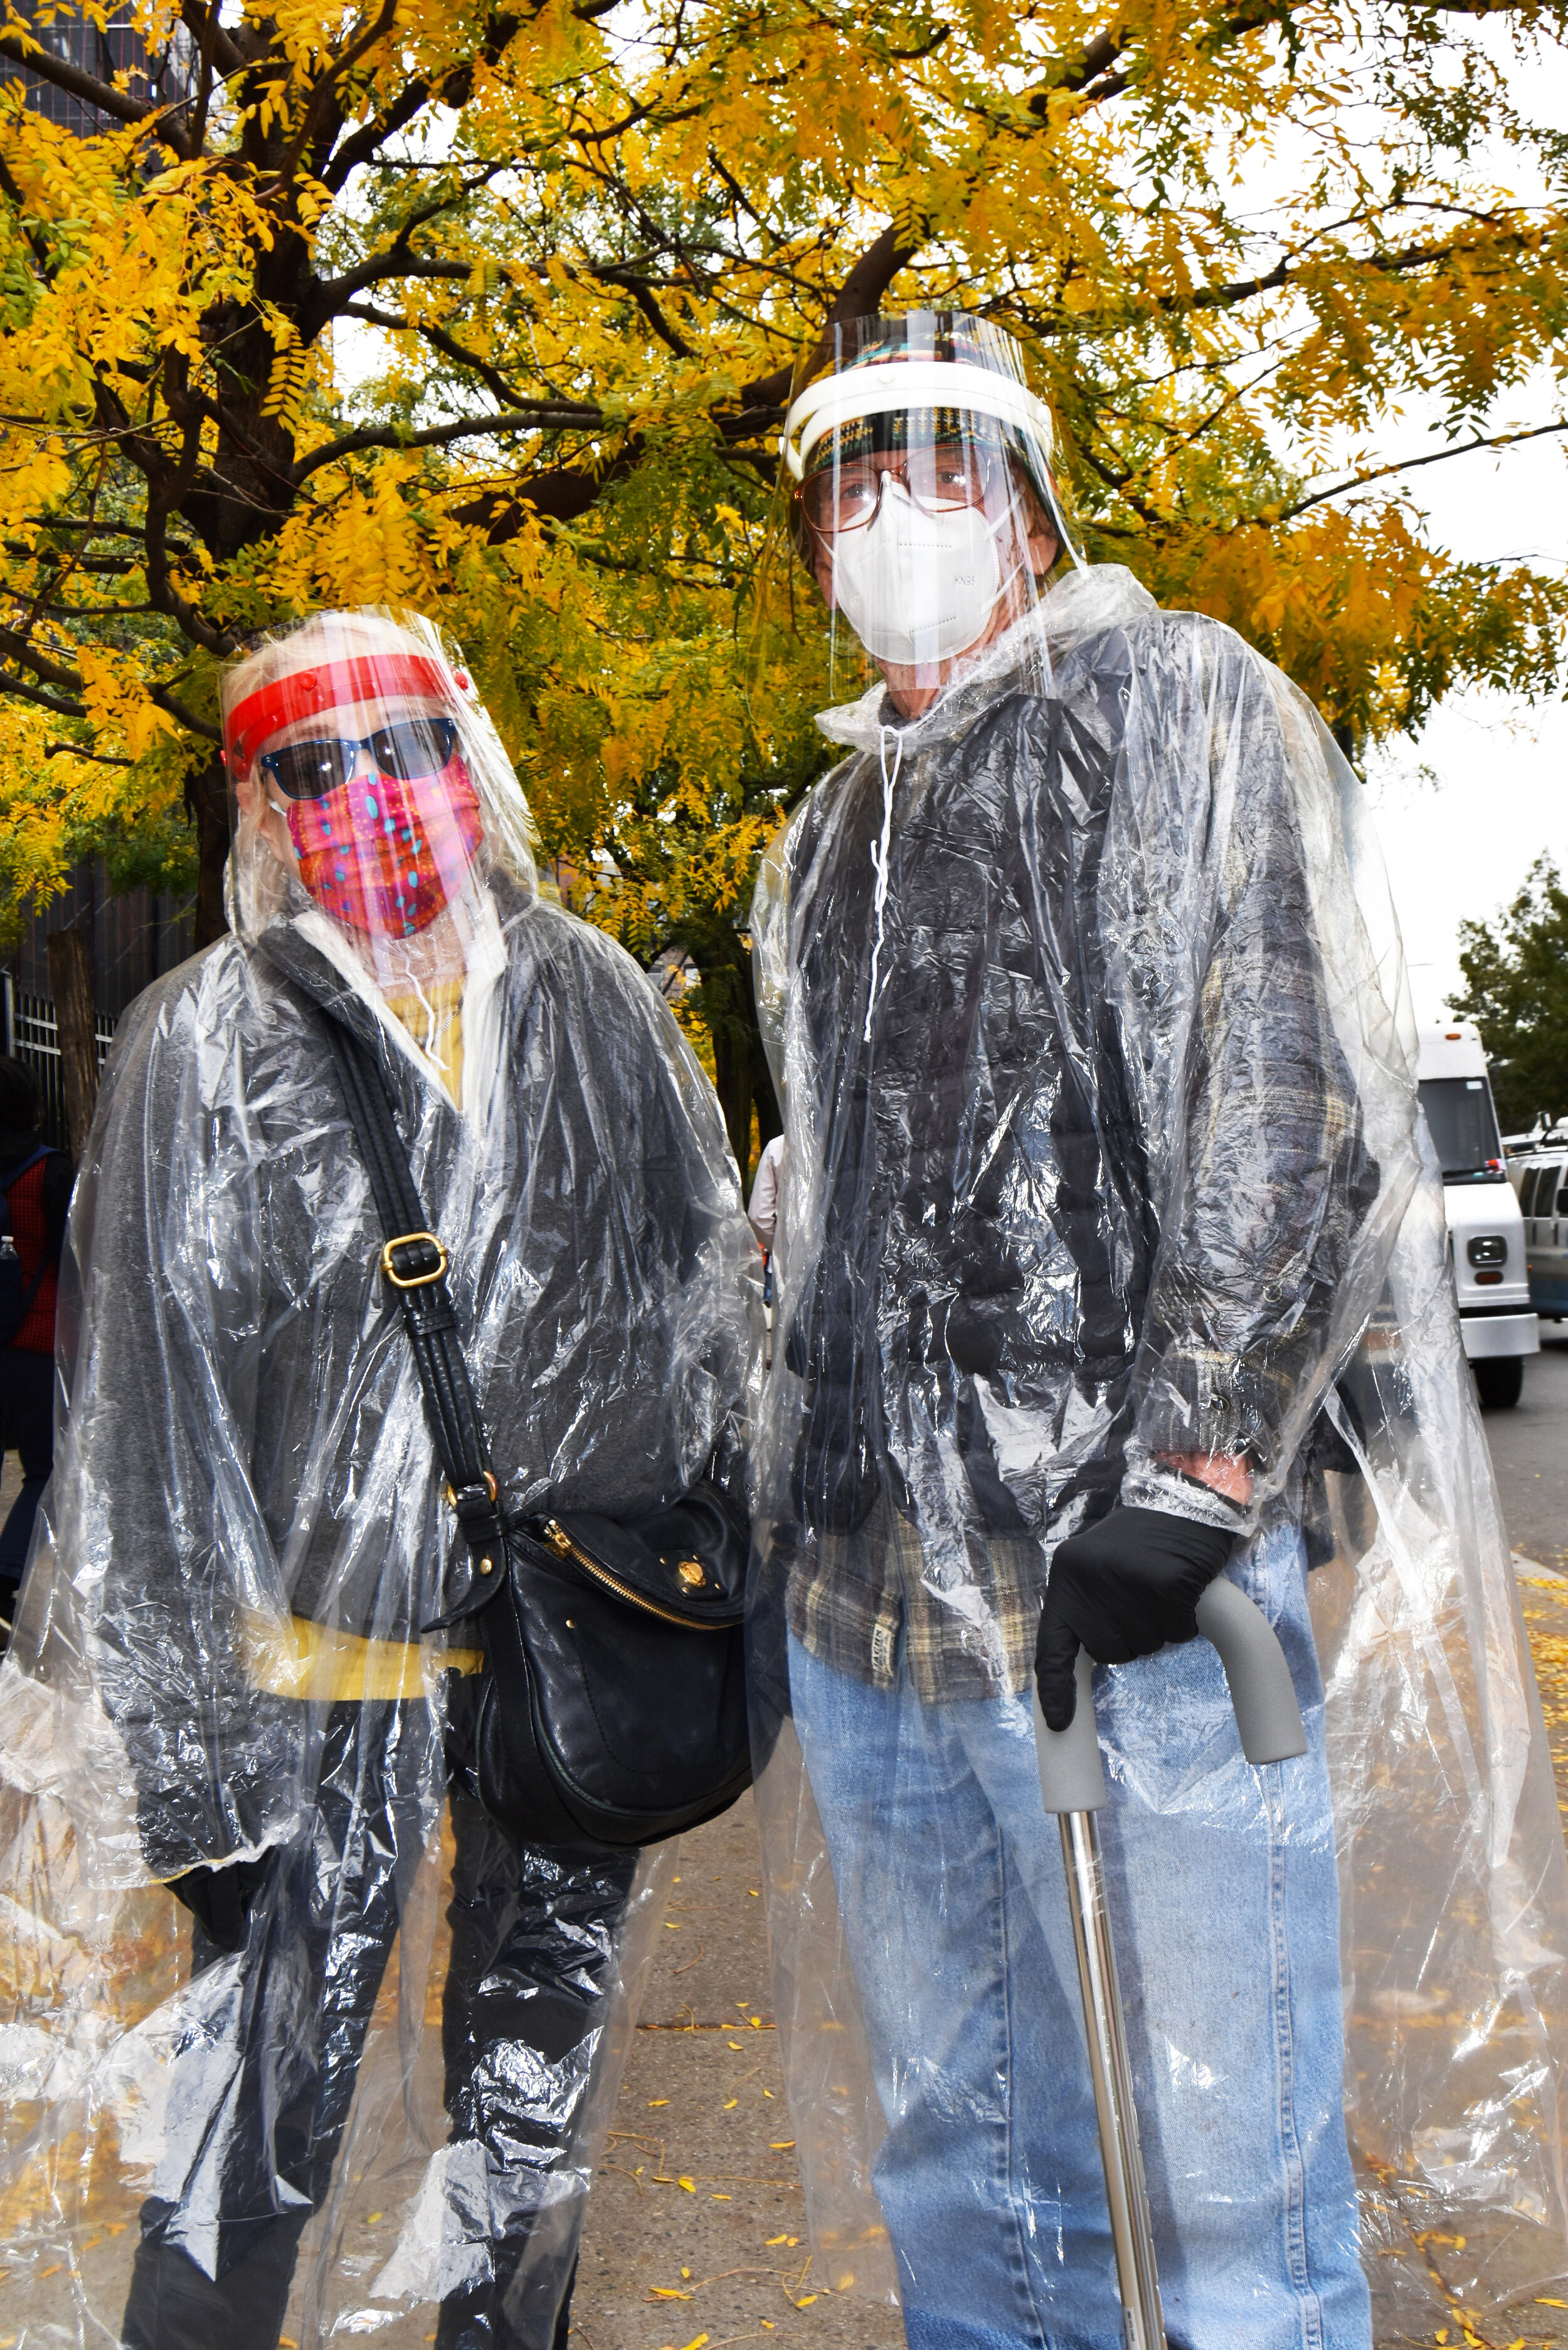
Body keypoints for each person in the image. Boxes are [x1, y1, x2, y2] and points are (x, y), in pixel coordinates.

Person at [746, 312, 1568, 2347]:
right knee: (967, 2165)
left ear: (1027, 512)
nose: (894, 517)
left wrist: (1200, 1464)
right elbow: (828, 1214)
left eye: (940, 467)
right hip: (876, 1624)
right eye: (851, 484)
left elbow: (1287, 1093)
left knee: (1224, 2180)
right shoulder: (819, 847)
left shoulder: (1171, 703)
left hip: (1137, 1596)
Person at [0, 610, 753, 2350]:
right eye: (313, 766)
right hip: (308, 1690)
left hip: (558, 1664)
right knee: (247, 2138)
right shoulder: (204, 1042)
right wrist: (189, 1754)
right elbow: (138, 1418)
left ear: (467, 760)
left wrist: (699, 1605)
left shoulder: (593, 999)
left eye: (400, 747)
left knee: (524, 2124)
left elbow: (699, 1304)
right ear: (257, 802)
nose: (367, 796)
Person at [0, 1052, 70, 1634]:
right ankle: (5, 1574)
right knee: (44, 1468)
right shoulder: (50, 1171)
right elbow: (79, 1256)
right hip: (36, 1338)